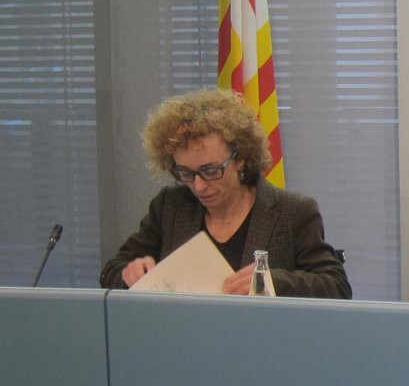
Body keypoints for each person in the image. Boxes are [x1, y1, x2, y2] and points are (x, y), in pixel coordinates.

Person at [100, 88, 351, 299]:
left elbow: (336, 287)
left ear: (240, 158)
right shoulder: (170, 207)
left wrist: (273, 282)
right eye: (185, 173)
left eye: (211, 171)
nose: (199, 186)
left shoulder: (293, 211)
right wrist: (129, 274)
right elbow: (111, 271)